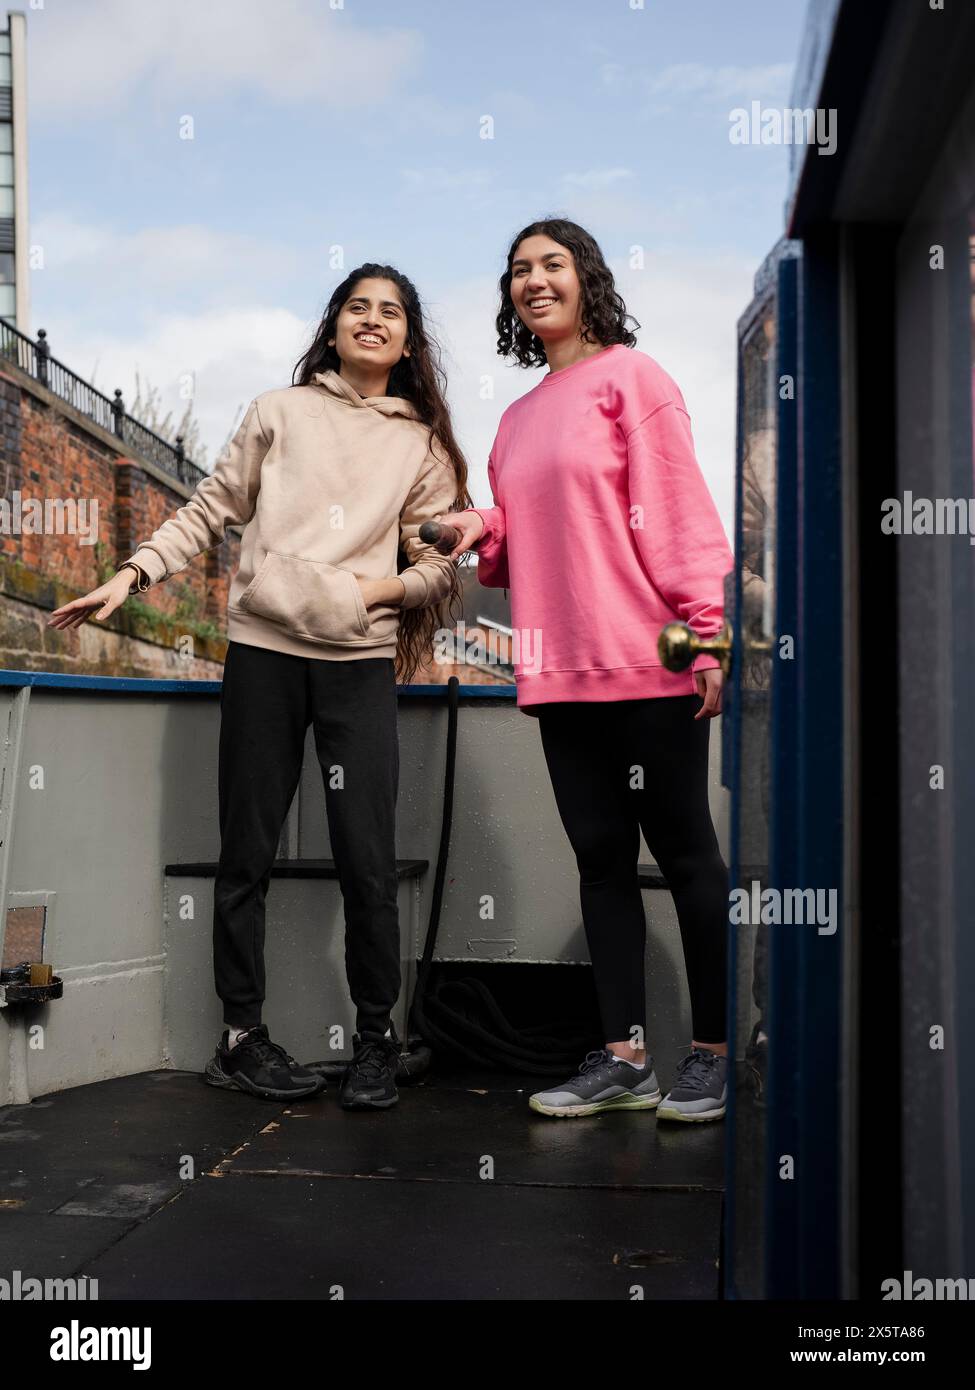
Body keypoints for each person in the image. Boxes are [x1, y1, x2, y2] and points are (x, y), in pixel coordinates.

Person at [48, 263, 470, 1111]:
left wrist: (365, 593)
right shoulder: (278, 413)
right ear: (335, 323)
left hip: (356, 664)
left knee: (367, 861)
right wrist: (128, 577)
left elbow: (436, 568)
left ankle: (376, 1041)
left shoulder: (419, 444)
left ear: (407, 341)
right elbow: (207, 510)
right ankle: (240, 1037)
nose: (373, 321)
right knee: (246, 854)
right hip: (264, 654)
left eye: (391, 313)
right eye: (359, 306)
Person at [442, 219, 733, 1122]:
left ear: (586, 281)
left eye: (551, 265)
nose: (534, 281)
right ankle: (624, 1059)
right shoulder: (518, 417)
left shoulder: (633, 380)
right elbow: (528, 538)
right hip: (559, 672)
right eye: (519, 270)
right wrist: (481, 526)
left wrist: (709, 630)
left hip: (650, 662)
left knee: (687, 859)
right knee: (601, 863)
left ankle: (716, 1055)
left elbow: (676, 508)